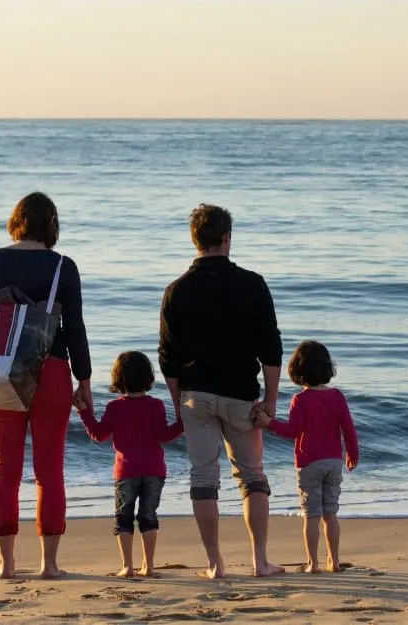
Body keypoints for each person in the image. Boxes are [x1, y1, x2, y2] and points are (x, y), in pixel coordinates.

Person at [0, 191, 93, 580]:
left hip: (0, 367)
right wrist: (85, 380)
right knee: (49, 471)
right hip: (52, 372)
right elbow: (75, 328)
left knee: (5, 469)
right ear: (51, 225)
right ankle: (49, 565)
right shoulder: (62, 267)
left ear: (16, 220)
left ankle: (6, 565)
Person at [158, 203, 284, 579]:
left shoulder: (176, 290)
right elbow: (271, 349)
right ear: (227, 238)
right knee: (252, 477)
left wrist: (177, 402)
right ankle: (260, 561)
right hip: (241, 395)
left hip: (196, 396)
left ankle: (215, 564)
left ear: (194, 239)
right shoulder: (252, 284)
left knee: (203, 479)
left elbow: (168, 358)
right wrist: (272, 401)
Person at [74, 351, 183, 578]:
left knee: (123, 517)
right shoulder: (156, 405)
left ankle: (127, 566)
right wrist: (184, 422)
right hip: (154, 469)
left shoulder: (115, 407)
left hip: (126, 471)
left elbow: (99, 434)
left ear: (118, 379)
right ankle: (149, 566)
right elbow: (163, 435)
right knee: (148, 516)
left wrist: (83, 412)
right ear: (148, 378)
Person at [255, 340, 360, 574]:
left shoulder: (300, 400)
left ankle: (313, 563)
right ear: (327, 368)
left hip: (308, 463)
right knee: (330, 513)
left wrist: (268, 423)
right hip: (333, 462)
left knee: (311, 515)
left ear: (297, 370)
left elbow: (292, 432)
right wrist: (352, 454)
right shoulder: (337, 397)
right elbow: (349, 429)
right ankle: (334, 561)